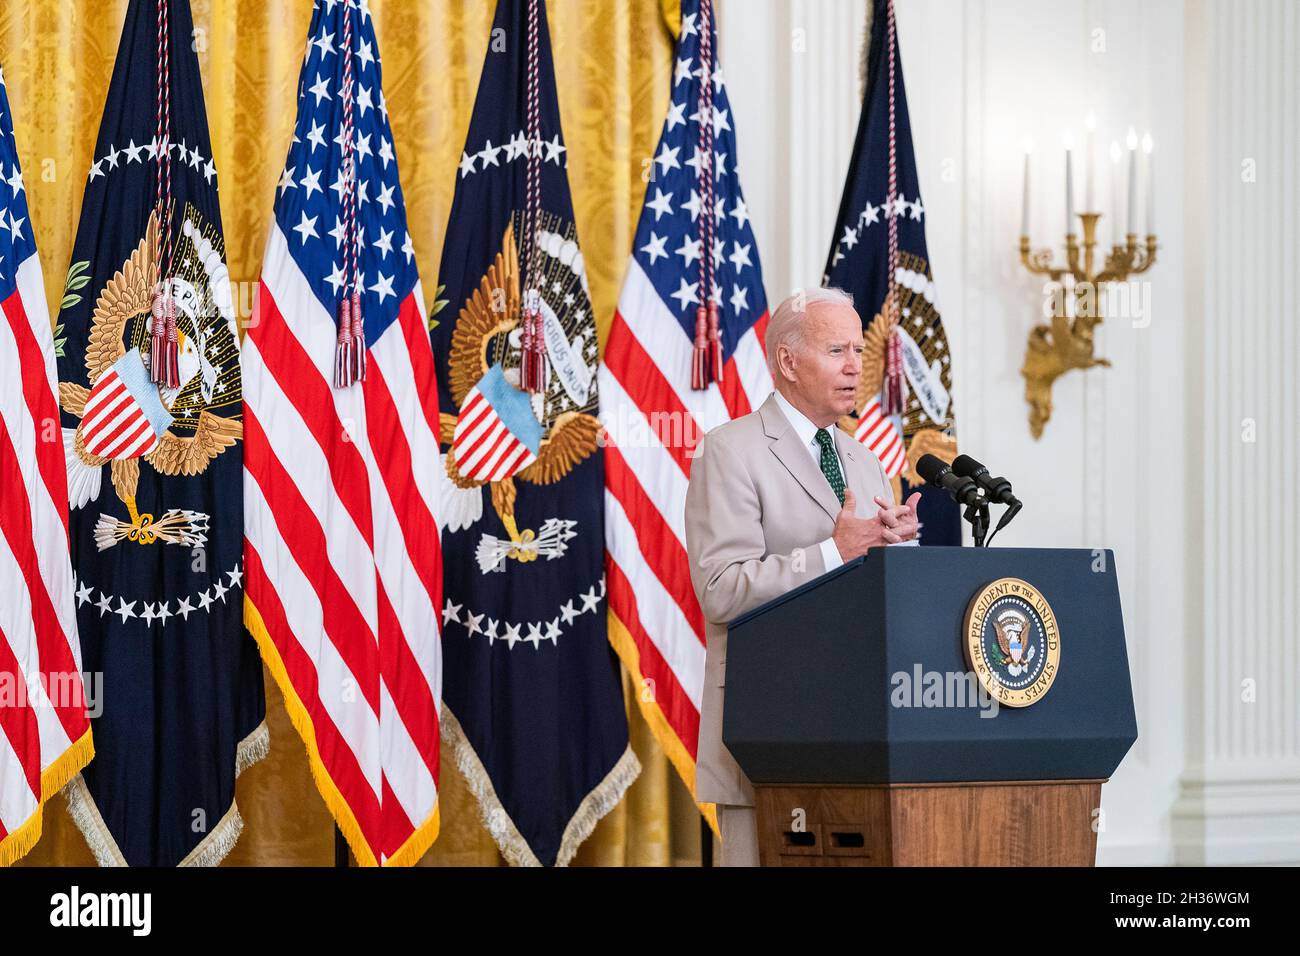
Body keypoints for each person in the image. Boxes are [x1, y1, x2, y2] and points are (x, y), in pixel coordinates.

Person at [684, 286, 921, 866]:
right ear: (788, 362)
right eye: (836, 349)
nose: (855, 366)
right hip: (766, 734)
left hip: (861, 736)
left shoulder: (865, 459)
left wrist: (896, 555)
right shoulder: (730, 450)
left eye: (858, 350)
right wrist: (833, 552)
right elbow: (721, 589)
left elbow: (870, 598)